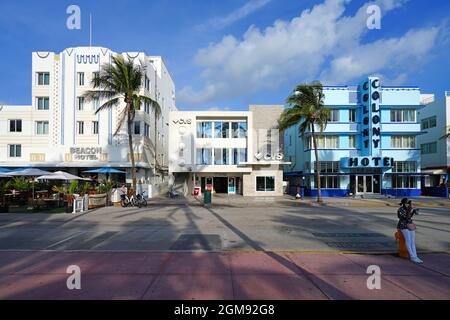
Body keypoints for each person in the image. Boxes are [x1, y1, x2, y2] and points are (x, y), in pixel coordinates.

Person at [397, 198, 423, 263]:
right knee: (408, 240)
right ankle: (412, 256)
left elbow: (411, 216)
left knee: (412, 241)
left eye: (409, 203)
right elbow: (405, 218)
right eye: (407, 203)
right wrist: (410, 211)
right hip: (403, 225)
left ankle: (415, 256)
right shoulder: (400, 209)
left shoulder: (409, 208)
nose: (408, 204)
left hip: (410, 224)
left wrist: (414, 212)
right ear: (403, 203)